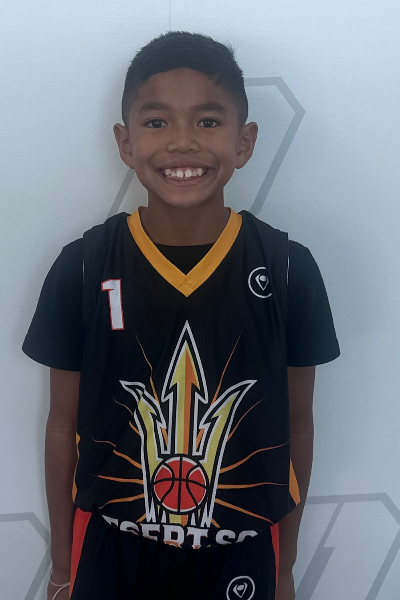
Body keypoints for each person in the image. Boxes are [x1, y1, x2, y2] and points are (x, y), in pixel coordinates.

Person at [22, 30, 340, 600]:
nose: (183, 141)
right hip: (111, 547)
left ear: (245, 142)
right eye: (157, 121)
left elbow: (298, 426)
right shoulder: (83, 265)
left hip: (242, 550)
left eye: (208, 121)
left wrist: (284, 566)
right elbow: (61, 425)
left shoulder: (289, 269)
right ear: (125, 143)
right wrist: (64, 567)